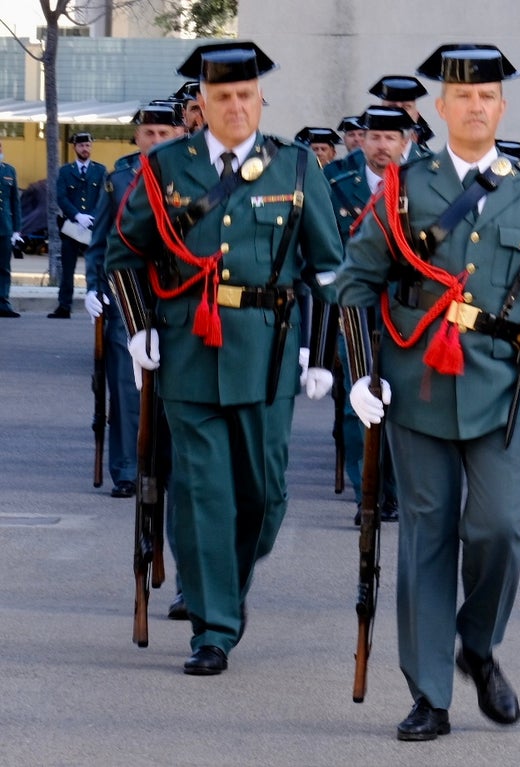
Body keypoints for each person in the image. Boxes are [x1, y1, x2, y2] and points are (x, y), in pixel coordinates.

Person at [337, 42, 520, 741]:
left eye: (488, 95)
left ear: (501, 107)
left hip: (500, 385)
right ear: (441, 108)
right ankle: (429, 693)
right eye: (463, 95)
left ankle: (476, 645)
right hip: (416, 380)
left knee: (500, 526)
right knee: (426, 532)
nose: (476, 104)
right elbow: (356, 284)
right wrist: (362, 372)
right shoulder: (401, 187)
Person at [104, 40, 344, 676]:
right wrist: (138, 329)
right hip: (186, 348)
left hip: (267, 351)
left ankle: (225, 589)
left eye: (245, 95)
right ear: (201, 104)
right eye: (222, 97)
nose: (235, 106)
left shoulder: (295, 168)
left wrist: (321, 354)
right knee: (205, 490)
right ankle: (213, 627)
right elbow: (123, 251)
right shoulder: (164, 168)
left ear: (260, 99)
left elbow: (328, 270)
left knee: (265, 497)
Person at [326, 106, 424, 524]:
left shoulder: (421, 186)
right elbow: (326, 240)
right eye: (374, 137)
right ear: (361, 140)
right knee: (357, 398)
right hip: (356, 304)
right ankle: (366, 492)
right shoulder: (337, 182)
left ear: (406, 143)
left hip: (406, 306)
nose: (382, 146)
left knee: (401, 400)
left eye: (391, 139)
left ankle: (395, 491)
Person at [84, 103, 181, 498]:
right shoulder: (119, 178)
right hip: (128, 293)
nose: (155, 140)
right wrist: (93, 286)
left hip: (178, 294)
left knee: (176, 385)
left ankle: (168, 466)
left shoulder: (195, 175)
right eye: (149, 134)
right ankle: (127, 469)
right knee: (127, 386)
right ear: (137, 137)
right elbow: (101, 241)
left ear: (178, 136)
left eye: (163, 134)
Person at [51, 132, 107, 318]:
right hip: (72, 228)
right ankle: (64, 306)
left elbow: (104, 197)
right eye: (81, 146)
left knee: (97, 267)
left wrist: (91, 216)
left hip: (93, 227)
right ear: (74, 147)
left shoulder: (100, 171)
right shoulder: (65, 171)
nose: (85, 149)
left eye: (88, 145)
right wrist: (76, 215)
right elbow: (61, 197)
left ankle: (100, 303)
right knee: (68, 269)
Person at [370, 74, 434, 150]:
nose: (400, 113)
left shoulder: (428, 160)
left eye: (406, 107)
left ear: (416, 116)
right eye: (392, 107)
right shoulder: (359, 158)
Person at [0, 139, 21, 318]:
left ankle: (3, 301)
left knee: (4, 267)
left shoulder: (9, 170)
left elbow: (15, 202)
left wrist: (17, 229)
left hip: (4, 227)